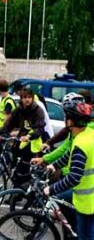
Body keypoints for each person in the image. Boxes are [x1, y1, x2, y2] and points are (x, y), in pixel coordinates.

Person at [43, 101, 94, 239]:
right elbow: (70, 154)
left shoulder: (81, 143)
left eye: (66, 117)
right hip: (87, 197)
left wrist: (52, 189)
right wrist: (54, 165)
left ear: (70, 121)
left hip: (88, 202)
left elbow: (74, 177)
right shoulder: (88, 134)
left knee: (86, 236)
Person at [0, 88, 46, 188]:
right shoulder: (19, 110)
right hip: (20, 141)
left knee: (23, 170)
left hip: (33, 143)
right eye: (24, 97)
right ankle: (16, 191)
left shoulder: (38, 110)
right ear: (21, 99)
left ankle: (21, 192)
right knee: (13, 167)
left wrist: (29, 136)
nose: (27, 100)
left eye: (29, 97)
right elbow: (9, 124)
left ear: (32, 98)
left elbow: (39, 128)